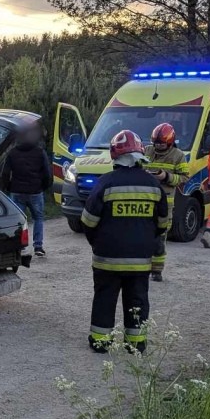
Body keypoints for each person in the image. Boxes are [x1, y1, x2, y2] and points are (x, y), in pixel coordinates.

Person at [80, 130, 170, 353]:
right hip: (140, 260)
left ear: (115, 156)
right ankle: (136, 344)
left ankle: (101, 342)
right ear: (140, 154)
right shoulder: (153, 185)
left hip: (106, 259)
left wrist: (97, 242)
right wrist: (146, 240)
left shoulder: (105, 183)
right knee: (137, 301)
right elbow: (163, 223)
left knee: (104, 300)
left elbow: (88, 221)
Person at [0, 122, 53, 256]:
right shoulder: (40, 152)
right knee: (38, 218)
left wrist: (8, 187)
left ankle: (19, 246)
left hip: (17, 191)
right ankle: (38, 246)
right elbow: (47, 174)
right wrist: (43, 187)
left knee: (18, 220)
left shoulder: (12, 153)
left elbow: (5, 174)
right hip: (35, 191)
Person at [143, 122, 189, 281]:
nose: (158, 147)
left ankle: (156, 271)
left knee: (160, 238)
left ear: (170, 142)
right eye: (155, 143)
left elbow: (184, 178)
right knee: (142, 236)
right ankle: (141, 268)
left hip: (165, 204)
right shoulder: (147, 151)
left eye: (161, 144)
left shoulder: (178, 155)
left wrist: (165, 177)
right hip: (145, 201)